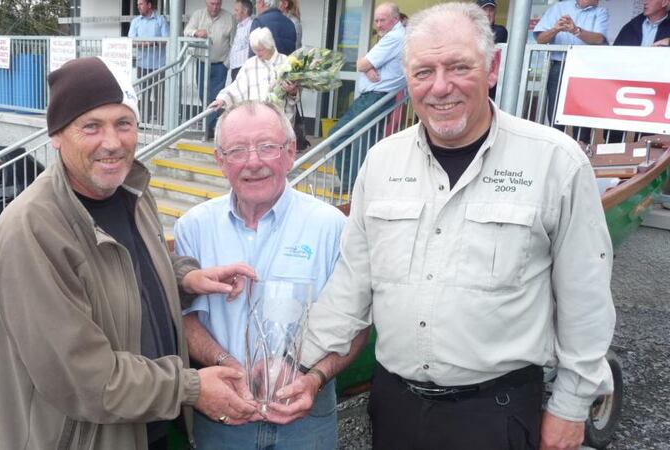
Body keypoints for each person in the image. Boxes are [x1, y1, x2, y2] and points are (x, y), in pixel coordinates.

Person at [276, 3, 616, 449]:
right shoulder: (380, 163)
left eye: (459, 67)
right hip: (395, 409)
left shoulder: (556, 162)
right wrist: (298, 367)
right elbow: (352, 284)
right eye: (423, 72)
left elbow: (585, 300)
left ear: (492, 68)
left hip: (497, 414)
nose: (440, 87)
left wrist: (571, 407)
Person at [0, 56, 260, 449]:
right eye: (91, 126)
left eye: (124, 123)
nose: (112, 143)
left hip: (147, 428)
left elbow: (124, 272)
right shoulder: (31, 228)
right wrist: (192, 387)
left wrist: (183, 277)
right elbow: (81, 376)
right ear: (57, 136)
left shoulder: (130, 190)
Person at [174, 99, 369, 450]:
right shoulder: (194, 227)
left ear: (291, 152)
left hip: (307, 416)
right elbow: (187, 319)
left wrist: (314, 378)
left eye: (267, 147)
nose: (253, 162)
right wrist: (228, 364)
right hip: (226, 413)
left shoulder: (331, 227)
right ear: (220, 161)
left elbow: (355, 324)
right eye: (237, 150)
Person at [330, 2, 405, 192]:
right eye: (376, 20)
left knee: (361, 143)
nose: (378, 25)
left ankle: (357, 189)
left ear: (395, 20)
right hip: (369, 97)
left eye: (383, 20)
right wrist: (368, 66)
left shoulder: (395, 37)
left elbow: (361, 64)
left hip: (376, 97)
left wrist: (367, 66)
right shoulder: (389, 36)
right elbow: (361, 64)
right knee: (338, 135)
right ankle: (350, 184)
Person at [534, 0, 609, 147]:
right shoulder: (559, 8)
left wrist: (576, 30)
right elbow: (541, 39)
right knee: (555, 113)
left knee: (582, 113)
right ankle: (556, 148)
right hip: (559, 66)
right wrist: (555, 29)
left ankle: (581, 148)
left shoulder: (600, 12)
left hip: (585, 69)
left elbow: (599, 39)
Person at [608, 0, 669, 143]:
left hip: (659, 87)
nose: (645, 2)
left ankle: (650, 162)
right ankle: (612, 158)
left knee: (650, 135)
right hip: (627, 85)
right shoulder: (632, 25)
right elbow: (614, 54)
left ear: (664, 2)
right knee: (615, 129)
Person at [211, 28, 299, 124]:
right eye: (255, 50)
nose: (257, 53)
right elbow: (237, 86)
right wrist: (222, 99)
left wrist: (292, 91)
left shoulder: (286, 62)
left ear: (270, 46)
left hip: (280, 120)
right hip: (254, 120)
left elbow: (296, 93)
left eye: (260, 50)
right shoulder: (250, 64)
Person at [184, 0, 236, 140]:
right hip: (202, 62)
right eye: (212, 4)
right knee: (202, 94)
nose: (215, 7)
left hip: (220, 65)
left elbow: (234, 43)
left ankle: (208, 128)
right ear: (207, 2)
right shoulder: (198, 15)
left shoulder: (229, 18)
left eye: (218, 4)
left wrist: (227, 63)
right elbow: (186, 31)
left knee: (215, 97)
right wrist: (196, 32)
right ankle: (212, 126)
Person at [128, 0, 169, 122]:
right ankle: (144, 121)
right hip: (142, 64)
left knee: (159, 95)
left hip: (159, 65)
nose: (138, 7)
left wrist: (150, 43)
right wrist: (147, 43)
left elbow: (166, 39)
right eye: (138, 5)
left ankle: (161, 122)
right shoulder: (136, 21)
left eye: (141, 4)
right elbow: (131, 41)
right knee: (144, 94)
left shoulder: (160, 20)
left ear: (149, 5)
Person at [478, 0, 507, 99]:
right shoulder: (468, 30)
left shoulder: (500, 31)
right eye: (485, 10)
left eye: (491, 10)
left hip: (490, 84)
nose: (488, 13)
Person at [229, 0, 254, 82]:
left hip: (243, 69)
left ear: (245, 11)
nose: (234, 13)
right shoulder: (240, 26)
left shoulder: (251, 25)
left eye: (237, 10)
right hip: (235, 68)